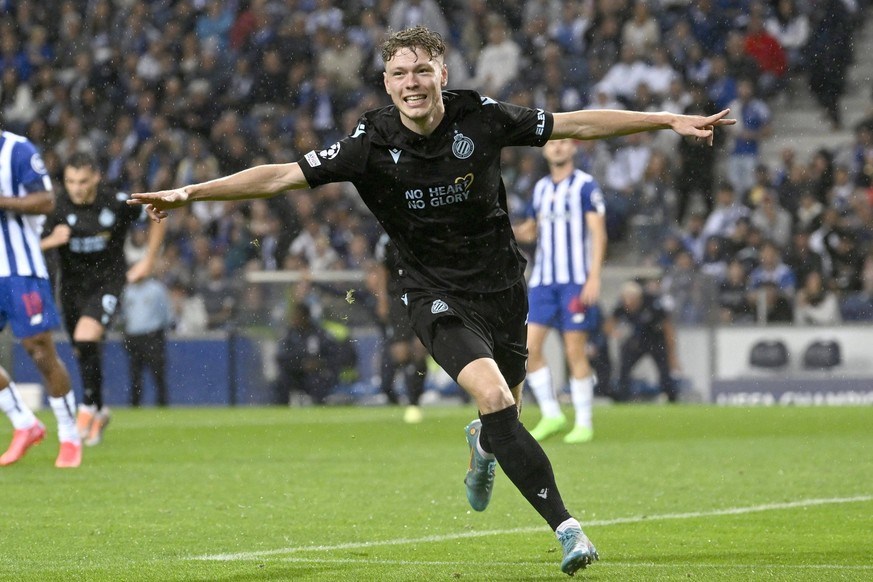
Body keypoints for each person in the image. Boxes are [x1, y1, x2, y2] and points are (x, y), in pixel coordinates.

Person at [128, 26, 733, 576]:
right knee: (495, 396)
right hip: (432, 292)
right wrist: (192, 192)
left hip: (501, 288)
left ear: (442, 73)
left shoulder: (482, 116)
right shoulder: (369, 141)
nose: (411, 84)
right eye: (399, 73)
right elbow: (280, 175)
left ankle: (483, 442)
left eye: (422, 71)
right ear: (386, 83)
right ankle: (568, 529)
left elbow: (574, 122)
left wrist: (665, 120)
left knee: (505, 416)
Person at [40, 152, 166, 446]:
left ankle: (85, 411)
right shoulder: (55, 208)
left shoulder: (116, 203)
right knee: (84, 350)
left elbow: (159, 210)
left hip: (107, 284)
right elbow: (27, 245)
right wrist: (50, 241)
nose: (77, 188)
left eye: (83, 181)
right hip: (70, 290)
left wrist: (149, 259)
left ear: (96, 176)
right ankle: (99, 410)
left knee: (86, 339)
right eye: (71, 181)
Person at [513, 138, 606, 444]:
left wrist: (593, 278)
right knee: (529, 348)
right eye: (553, 143)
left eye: (564, 142)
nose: (558, 147)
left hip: (574, 280)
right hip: (543, 280)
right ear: (543, 149)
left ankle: (584, 422)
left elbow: (597, 232)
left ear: (574, 148)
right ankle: (552, 414)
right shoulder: (540, 188)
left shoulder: (584, 185)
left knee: (574, 350)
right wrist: (500, 227)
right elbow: (532, 230)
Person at [0, 128, 81, 468]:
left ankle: (69, 435)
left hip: (21, 269)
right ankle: (25, 423)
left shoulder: (17, 150)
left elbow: (46, 200)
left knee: (40, 352)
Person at [374, 233, 429, 423]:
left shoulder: (421, 232)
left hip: (422, 296)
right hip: (397, 300)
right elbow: (381, 270)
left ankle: (414, 400)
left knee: (420, 348)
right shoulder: (386, 240)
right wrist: (381, 299)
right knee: (401, 353)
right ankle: (406, 393)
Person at [605, 280, 680, 402]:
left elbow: (667, 326)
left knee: (664, 370)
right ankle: (623, 397)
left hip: (656, 339)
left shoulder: (652, 303)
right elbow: (608, 325)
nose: (628, 302)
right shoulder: (622, 306)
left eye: (631, 298)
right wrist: (615, 333)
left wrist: (671, 351)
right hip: (637, 341)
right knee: (624, 367)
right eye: (625, 298)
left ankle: (671, 396)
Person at [120, 275, 172, 407]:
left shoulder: (156, 288)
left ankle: (162, 403)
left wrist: (161, 331)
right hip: (133, 337)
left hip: (152, 336)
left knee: (158, 373)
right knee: (135, 374)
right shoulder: (127, 290)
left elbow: (165, 313)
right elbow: (123, 315)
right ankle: (135, 404)